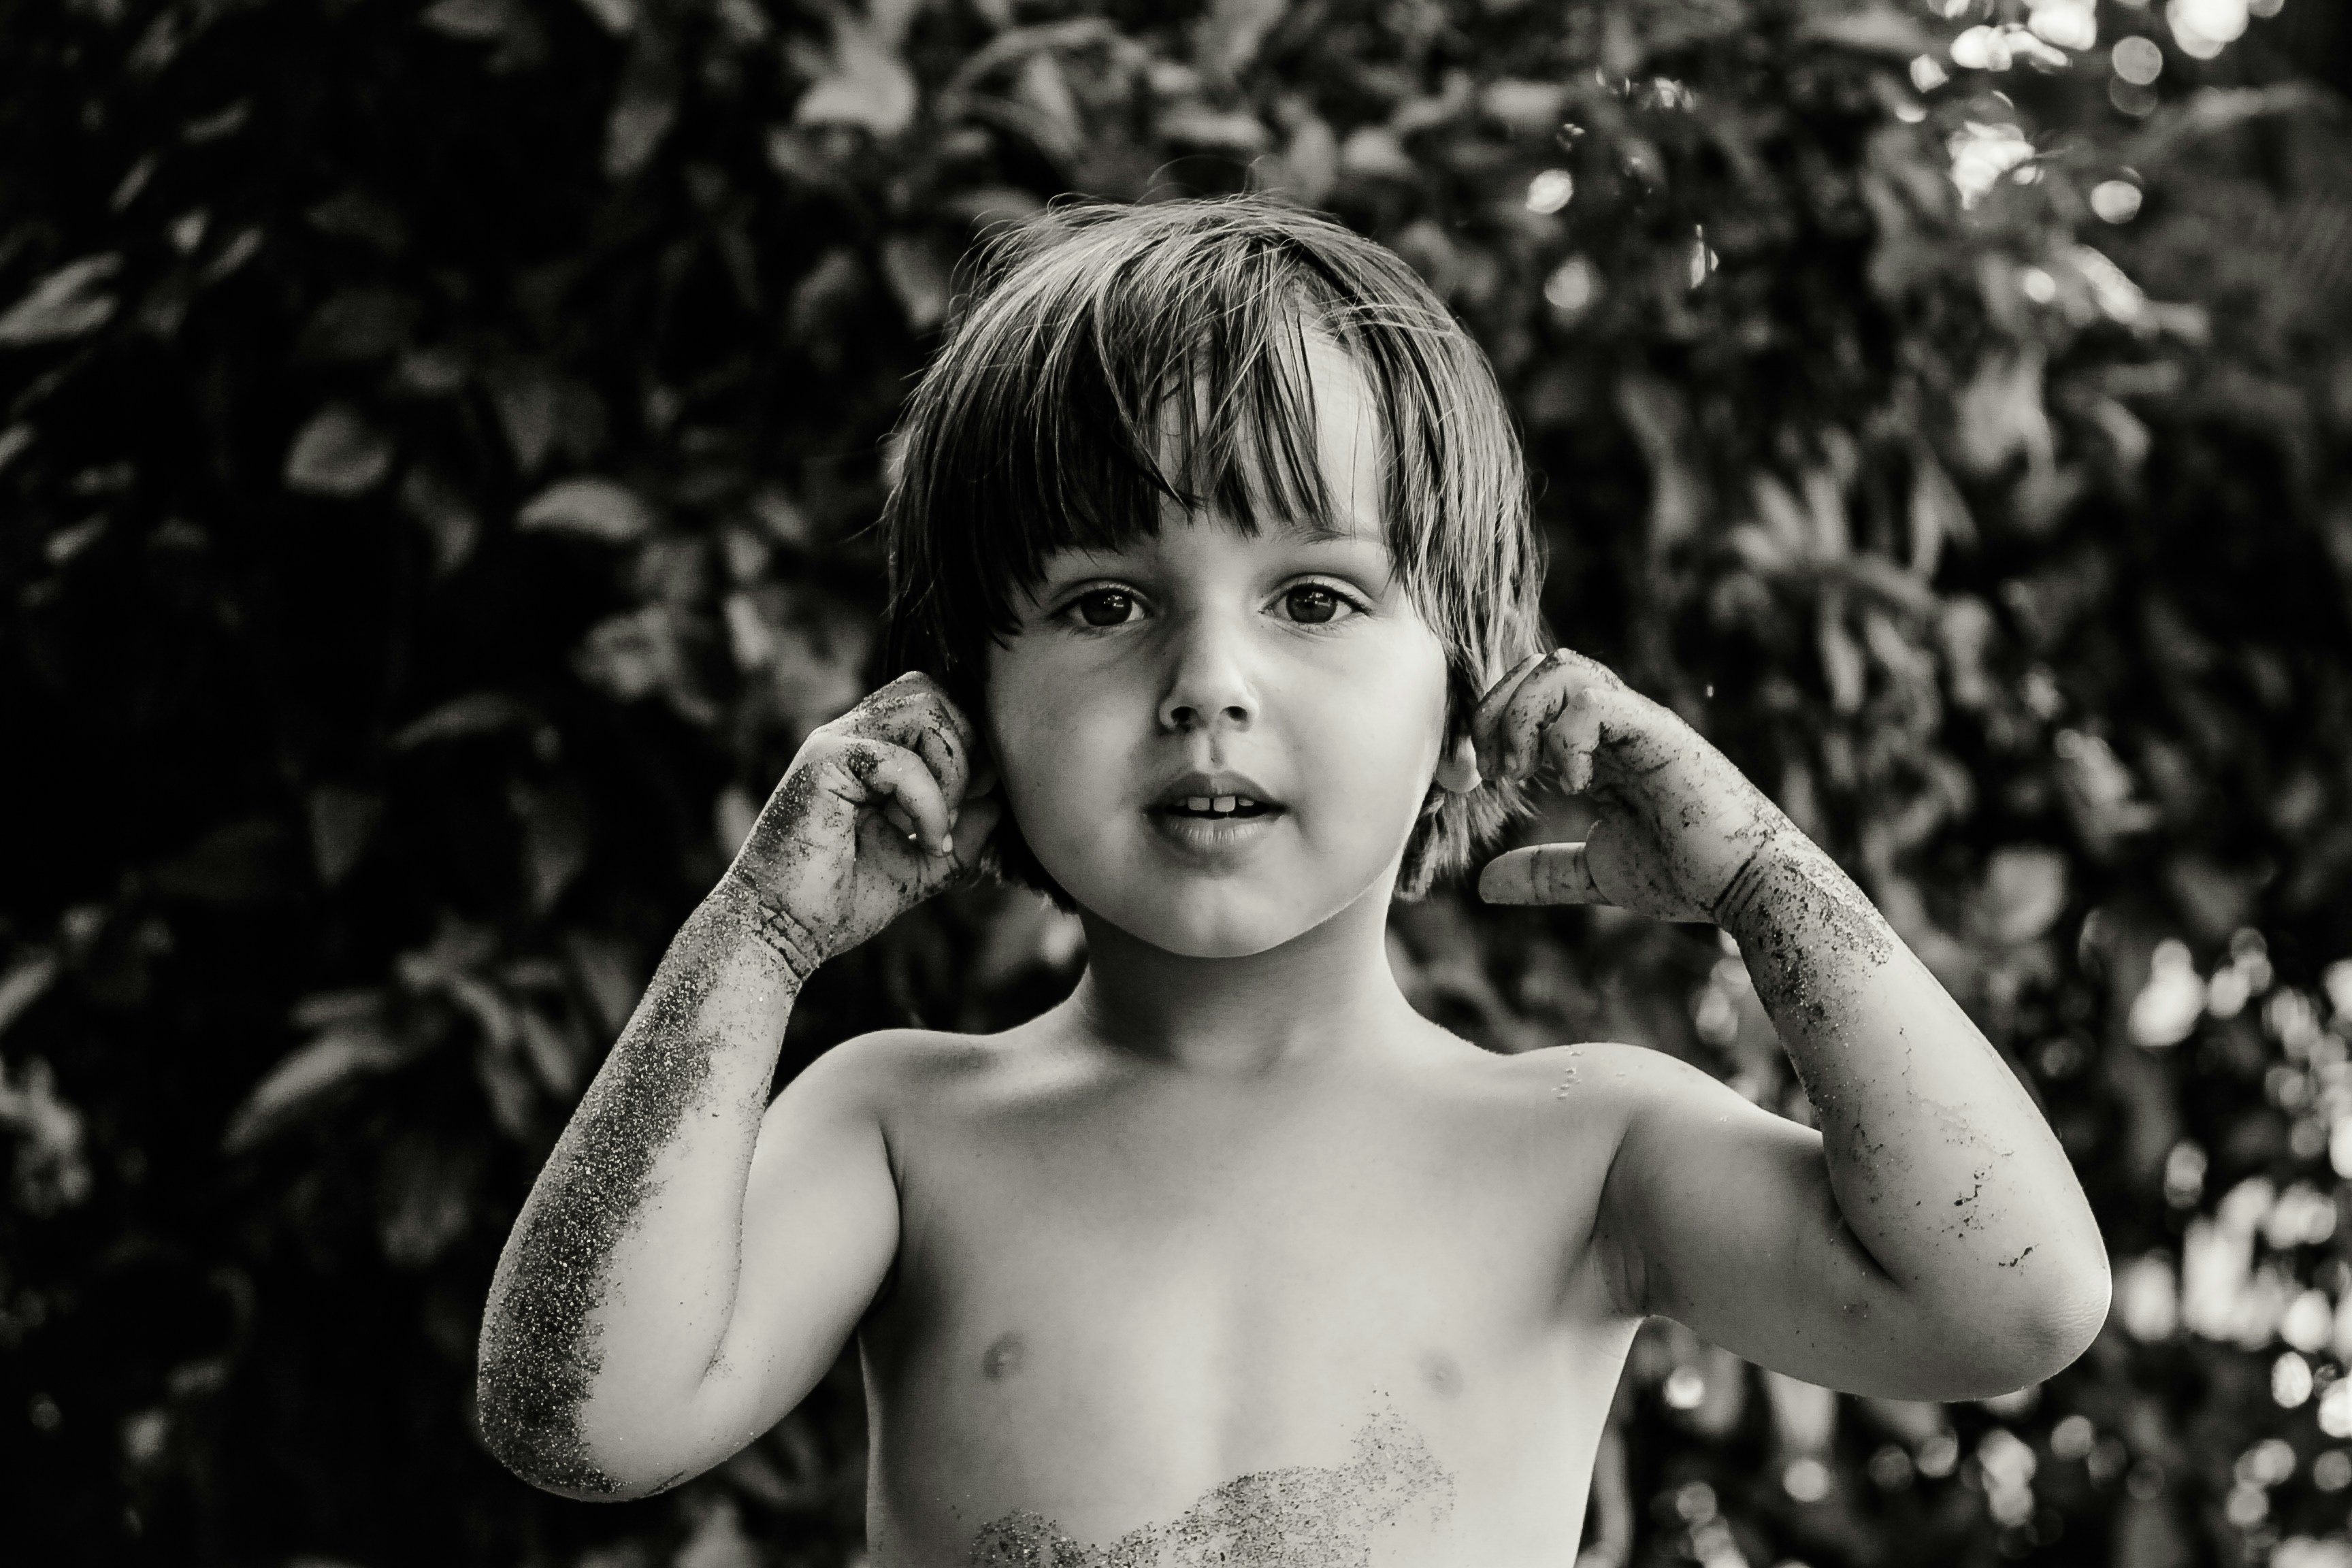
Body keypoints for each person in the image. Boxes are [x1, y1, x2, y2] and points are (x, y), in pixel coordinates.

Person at [476, 197, 2108, 1565]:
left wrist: (1760, 876)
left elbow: (2009, 1306)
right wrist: (756, 936)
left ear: (1473, 707)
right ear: (966, 711)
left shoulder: (1586, 1150)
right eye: (1107, 603)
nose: (1208, 682)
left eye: (1316, 598)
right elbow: (580, 1421)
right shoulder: (905, 1129)